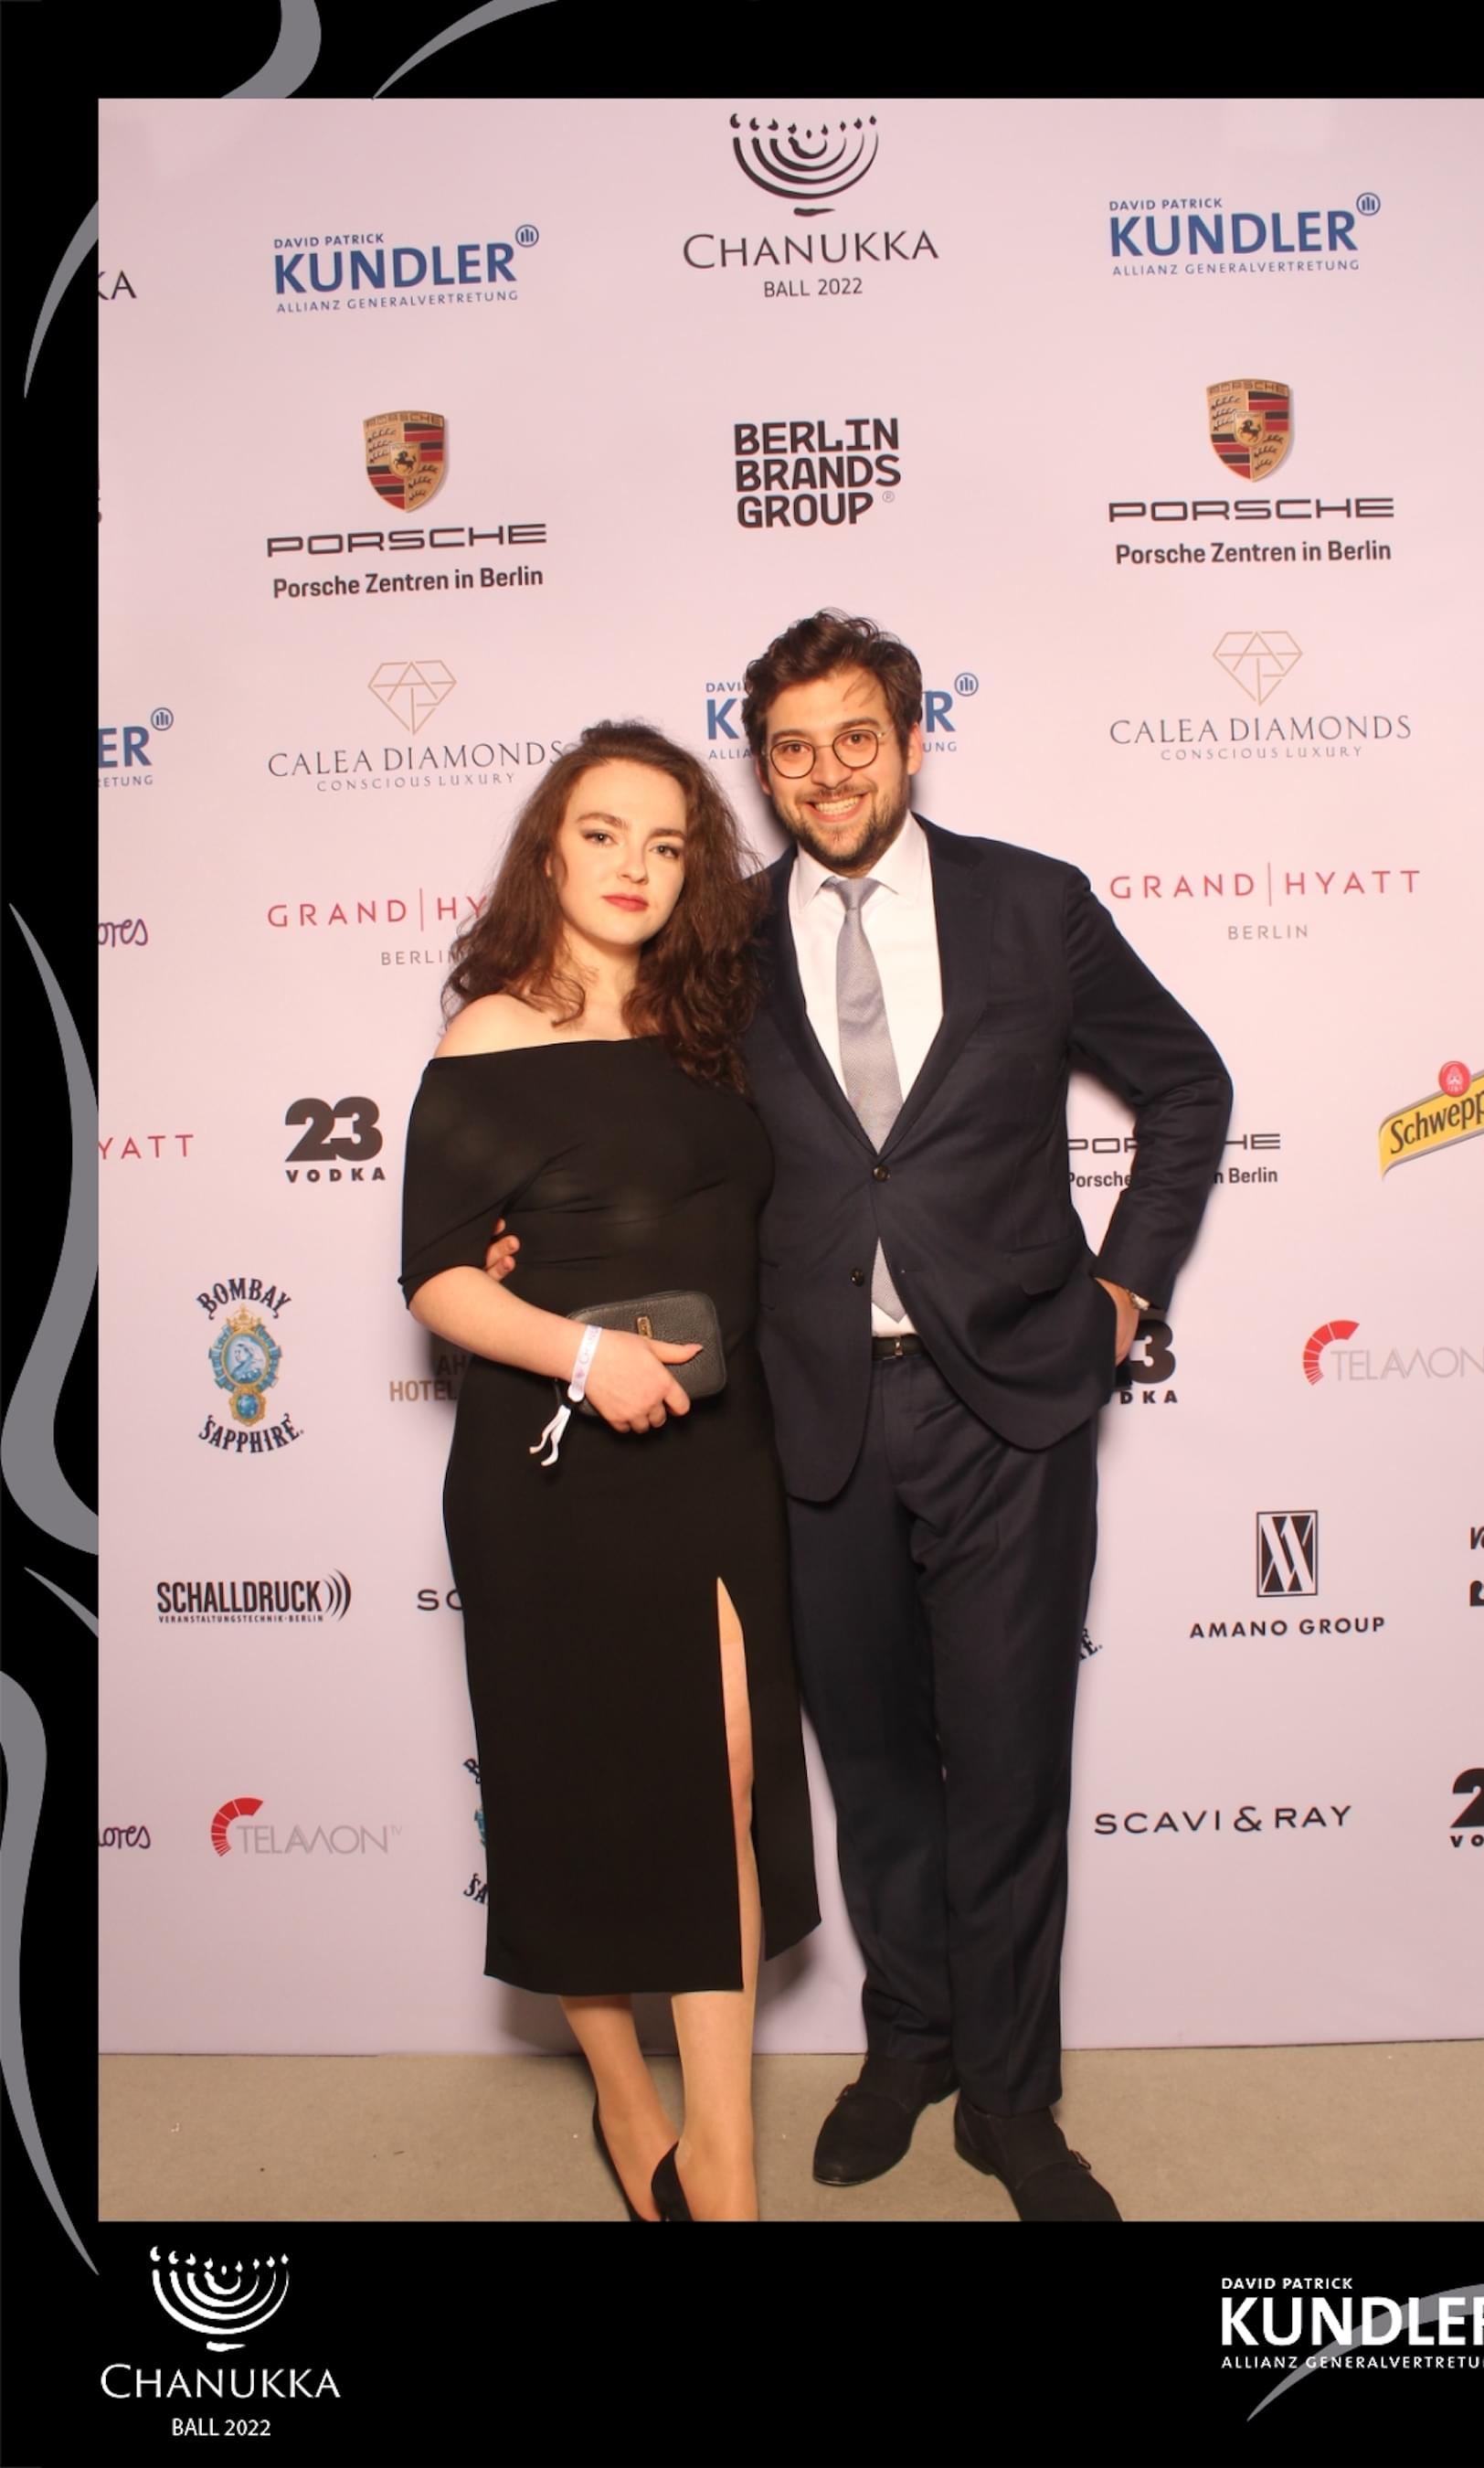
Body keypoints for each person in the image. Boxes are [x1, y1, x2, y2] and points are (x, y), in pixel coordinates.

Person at [491, 613, 1232, 2221]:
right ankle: (910, 2049)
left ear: (910, 741)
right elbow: (624, 1121)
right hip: (809, 1415)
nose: (826, 773)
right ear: (763, 770)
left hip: (1009, 1405)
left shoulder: (1033, 904)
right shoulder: (721, 942)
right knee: (874, 1766)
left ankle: (1014, 2105)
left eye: (855, 739)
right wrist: (517, 1240)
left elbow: (1188, 1084)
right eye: (792, 749)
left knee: (1011, 1761)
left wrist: (1127, 1288)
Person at [399, 720, 820, 2226]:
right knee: (573, 1787)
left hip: (721, 1449)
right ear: (550, 850)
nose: (633, 866)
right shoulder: (491, 1035)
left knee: (727, 1772)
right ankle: (639, 2115)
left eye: (666, 843)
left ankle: (722, 2152)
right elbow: (439, 1276)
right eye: (601, 834)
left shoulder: (713, 1027)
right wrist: (584, 1356)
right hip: (555, 1467)